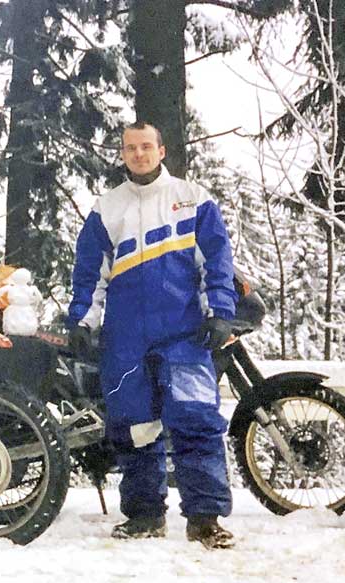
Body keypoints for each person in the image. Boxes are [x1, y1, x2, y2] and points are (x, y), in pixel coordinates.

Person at [66, 121, 238, 549]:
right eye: (130, 148)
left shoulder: (192, 199)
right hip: (126, 340)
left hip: (185, 334)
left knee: (196, 422)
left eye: (147, 146)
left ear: (162, 151)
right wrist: (84, 321)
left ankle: (205, 520)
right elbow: (90, 275)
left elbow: (216, 261)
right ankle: (144, 516)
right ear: (122, 154)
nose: (139, 154)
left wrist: (219, 312)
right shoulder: (106, 209)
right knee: (135, 426)